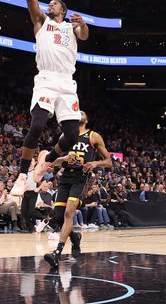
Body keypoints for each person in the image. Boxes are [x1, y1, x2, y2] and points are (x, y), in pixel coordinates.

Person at [11, 0, 89, 197]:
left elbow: (85, 36)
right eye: (50, 3)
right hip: (46, 78)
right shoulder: (41, 22)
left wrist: (84, 23)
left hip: (68, 83)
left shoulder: (71, 27)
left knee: (72, 135)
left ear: (63, 10)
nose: (49, 5)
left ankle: (47, 161)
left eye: (54, 4)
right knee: (37, 125)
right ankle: (23, 174)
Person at [44, 111, 112, 269]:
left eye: (82, 113)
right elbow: (53, 162)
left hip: (81, 179)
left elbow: (108, 161)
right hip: (66, 178)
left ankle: (57, 253)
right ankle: (75, 237)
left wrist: (95, 164)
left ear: (86, 120)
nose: (79, 113)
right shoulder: (65, 136)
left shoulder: (93, 136)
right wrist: (63, 159)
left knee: (69, 213)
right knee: (59, 218)